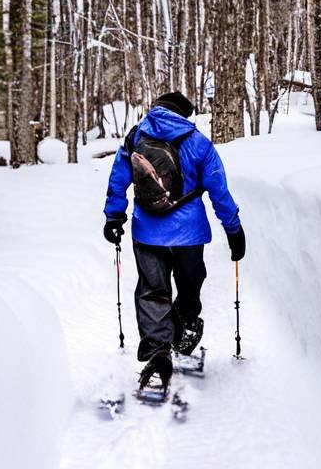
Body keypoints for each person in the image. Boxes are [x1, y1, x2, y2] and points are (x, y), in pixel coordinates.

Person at [102, 91, 245, 390]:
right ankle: (186, 326)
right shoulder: (198, 142)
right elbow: (219, 190)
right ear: (184, 114)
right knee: (190, 284)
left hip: (147, 232)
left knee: (153, 290)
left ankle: (158, 350)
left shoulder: (136, 135)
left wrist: (114, 216)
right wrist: (233, 229)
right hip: (189, 235)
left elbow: (118, 177)